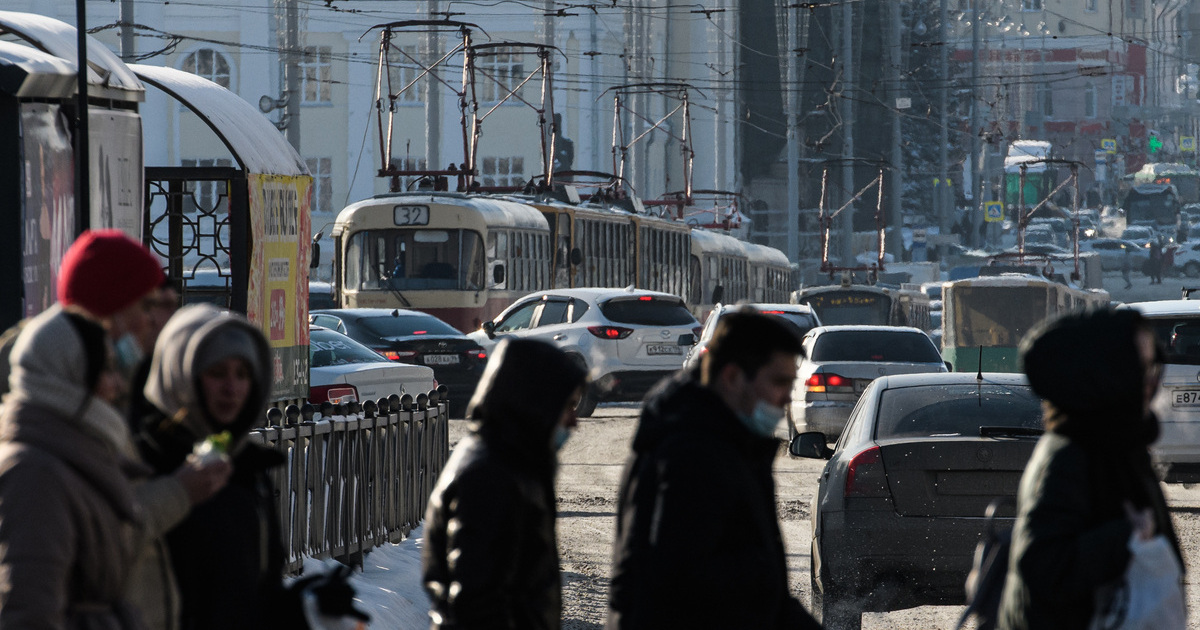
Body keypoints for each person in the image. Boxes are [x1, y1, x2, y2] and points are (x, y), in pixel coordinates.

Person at [606, 310, 820, 630]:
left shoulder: (731, 442)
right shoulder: (693, 453)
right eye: (779, 382)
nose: (786, 398)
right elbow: (683, 583)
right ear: (733, 378)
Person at [997, 309, 1184, 629]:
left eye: (1154, 366)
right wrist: (1126, 537)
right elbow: (1044, 566)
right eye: (1139, 367)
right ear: (1105, 375)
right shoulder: (1070, 455)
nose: (1152, 381)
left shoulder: (1119, 444)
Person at [135, 304, 302, 630]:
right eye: (217, 373)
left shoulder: (247, 470)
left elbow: (260, 590)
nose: (232, 388)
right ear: (181, 374)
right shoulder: (144, 462)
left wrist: (305, 606)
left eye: (242, 374)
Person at [423, 339, 587, 630]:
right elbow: (476, 601)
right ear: (536, 403)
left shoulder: (510, 458)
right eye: (567, 407)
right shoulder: (489, 475)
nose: (574, 422)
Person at [0, 307, 148, 628]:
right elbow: (29, 610)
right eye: (106, 369)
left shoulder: (75, 456)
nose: (117, 385)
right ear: (71, 373)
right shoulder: (35, 473)